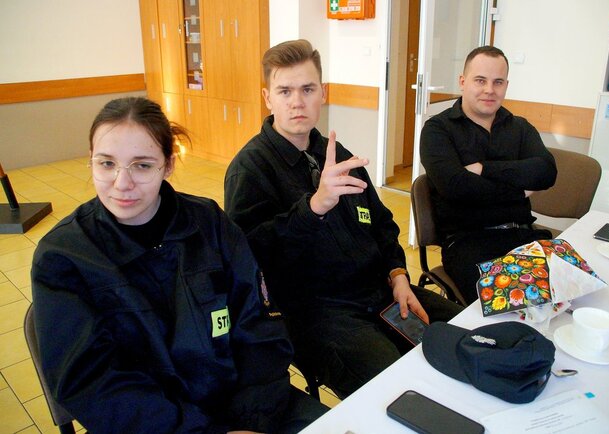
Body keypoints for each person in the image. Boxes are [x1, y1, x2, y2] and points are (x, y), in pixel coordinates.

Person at [31, 97, 327, 434]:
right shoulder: (63, 256)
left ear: (168, 165)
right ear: (91, 160)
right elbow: (92, 383)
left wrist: (252, 421)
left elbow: (259, 325)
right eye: (106, 163)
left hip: (252, 404)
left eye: (142, 165)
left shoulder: (210, 223)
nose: (122, 183)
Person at [224, 39, 463, 399]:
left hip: (382, 292)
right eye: (285, 91)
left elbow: (382, 225)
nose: (297, 101)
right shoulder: (250, 168)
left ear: (323, 93)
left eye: (308, 89)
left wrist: (398, 275)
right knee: (401, 391)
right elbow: (251, 257)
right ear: (267, 97)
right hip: (320, 313)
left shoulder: (337, 155)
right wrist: (313, 207)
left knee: (466, 341)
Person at [419, 46, 557, 305]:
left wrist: (485, 169)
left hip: (523, 235)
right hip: (469, 243)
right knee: (515, 306)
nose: (489, 90)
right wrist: (519, 190)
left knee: (570, 292)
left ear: (506, 85)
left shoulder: (520, 127)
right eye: (480, 80)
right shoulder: (438, 130)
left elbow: (546, 172)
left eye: (498, 82)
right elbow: (456, 187)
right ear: (463, 82)